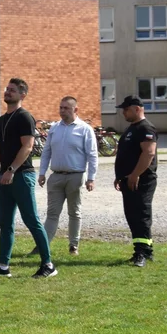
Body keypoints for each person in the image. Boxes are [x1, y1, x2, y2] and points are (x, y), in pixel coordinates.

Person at [0, 78, 57, 279]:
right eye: (7, 89)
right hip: (5, 177)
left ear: (22, 95)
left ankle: (48, 264)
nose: (7, 92)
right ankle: (3, 265)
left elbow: (28, 147)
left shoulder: (25, 117)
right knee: (5, 222)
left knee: (31, 220)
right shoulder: (1, 120)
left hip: (21, 175)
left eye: (12, 90)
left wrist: (11, 170)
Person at [36, 96, 98, 256]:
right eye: (61, 107)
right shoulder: (55, 128)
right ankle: (43, 245)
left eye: (66, 108)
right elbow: (46, 152)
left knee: (74, 212)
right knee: (52, 213)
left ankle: (73, 245)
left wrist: (91, 178)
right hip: (56, 176)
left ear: (75, 110)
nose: (62, 111)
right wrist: (42, 173)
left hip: (75, 177)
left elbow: (92, 155)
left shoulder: (85, 129)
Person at [113, 95, 159, 267]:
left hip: (142, 181)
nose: (123, 112)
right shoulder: (131, 129)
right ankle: (141, 250)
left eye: (126, 109)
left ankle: (143, 253)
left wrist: (135, 174)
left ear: (137, 108)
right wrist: (120, 176)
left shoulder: (146, 128)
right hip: (129, 180)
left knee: (141, 216)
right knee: (132, 216)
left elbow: (148, 153)